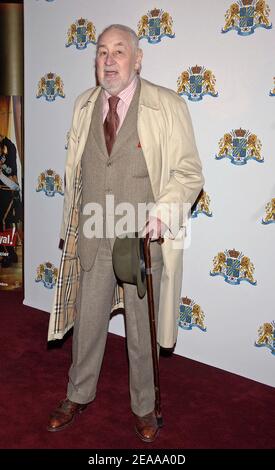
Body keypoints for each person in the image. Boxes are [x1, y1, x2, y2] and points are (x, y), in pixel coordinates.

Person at [47, 24, 204, 442]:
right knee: (87, 321)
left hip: (142, 239)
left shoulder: (166, 105)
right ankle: (77, 394)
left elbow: (189, 172)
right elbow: (78, 173)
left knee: (142, 328)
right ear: (95, 61)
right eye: (102, 52)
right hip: (94, 234)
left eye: (119, 51)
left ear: (138, 59)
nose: (109, 59)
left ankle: (144, 406)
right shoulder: (84, 105)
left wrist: (164, 213)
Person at [0, 136, 20, 267]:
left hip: (8, 191)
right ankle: (9, 253)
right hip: (1, 191)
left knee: (4, 222)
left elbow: (12, 171)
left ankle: (8, 254)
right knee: (4, 223)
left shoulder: (9, 151)